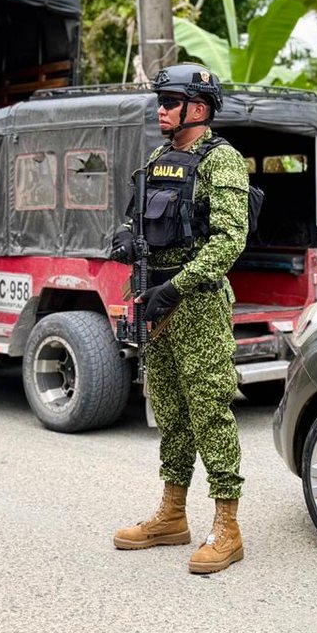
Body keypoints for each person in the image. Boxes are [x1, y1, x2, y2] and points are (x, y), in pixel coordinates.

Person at [110, 65, 250, 574]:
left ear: (199, 107)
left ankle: (227, 526)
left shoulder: (222, 161)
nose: (161, 109)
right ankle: (172, 514)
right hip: (155, 297)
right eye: (161, 101)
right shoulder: (157, 157)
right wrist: (126, 238)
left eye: (170, 101)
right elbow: (137, 215)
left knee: (209, 409)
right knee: (169, 409)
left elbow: (230, 240)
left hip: (197, 303)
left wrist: (176, 287)